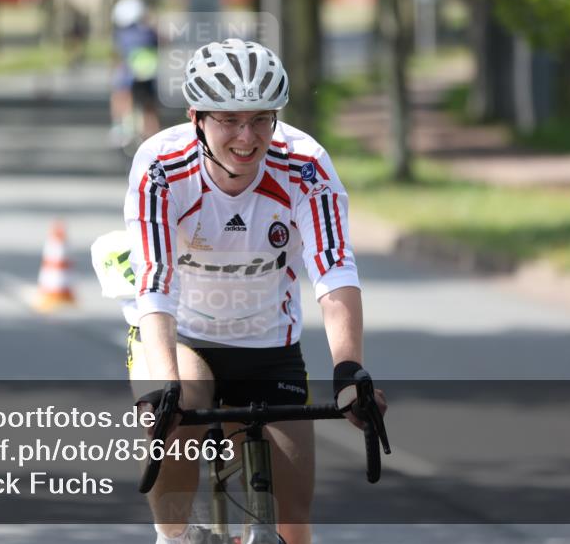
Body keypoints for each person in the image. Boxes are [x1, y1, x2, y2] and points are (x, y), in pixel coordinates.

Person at [120, 38, 386, 544]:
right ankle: (173, 537)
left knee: (294, 523)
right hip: (185, 336)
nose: (247, 137)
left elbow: (333, 268)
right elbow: (154, 279)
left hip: (269, 345)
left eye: (261, 119)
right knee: (180, 415)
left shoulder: (304, 164)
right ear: (197, 116)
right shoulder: (160, 165)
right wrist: (166, 384)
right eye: (230, 120)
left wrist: (350, 370)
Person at [110, 0, 160, 149]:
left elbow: (119, 57)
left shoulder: (122, 35)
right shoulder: (150, 33)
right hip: (149, 77)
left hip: (128, 78)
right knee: (149, 109)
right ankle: (155, 140)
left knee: (120, 95)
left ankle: (119, 128)